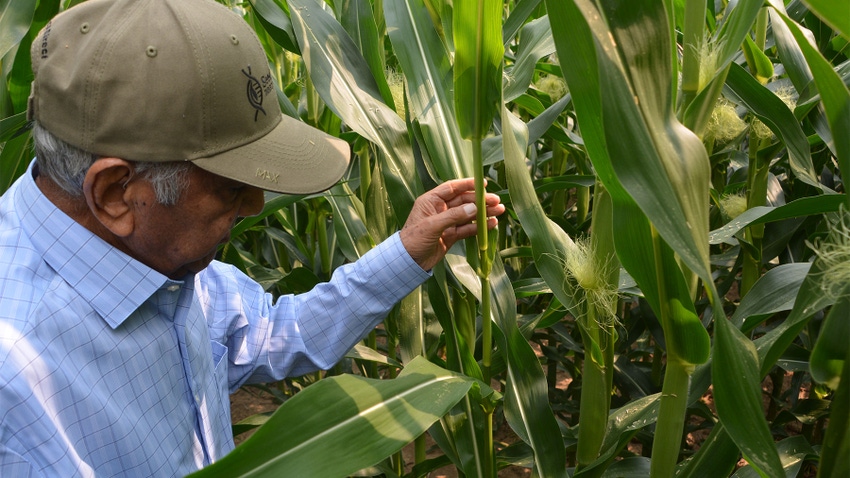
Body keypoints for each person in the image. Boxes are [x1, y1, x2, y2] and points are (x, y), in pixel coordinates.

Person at [0, 0, 505, 476]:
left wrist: (405, 251)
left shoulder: (158, 259)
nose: (255, 206)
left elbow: (269, 335)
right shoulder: (17, 389)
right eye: (230, 188)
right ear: (114, 192)